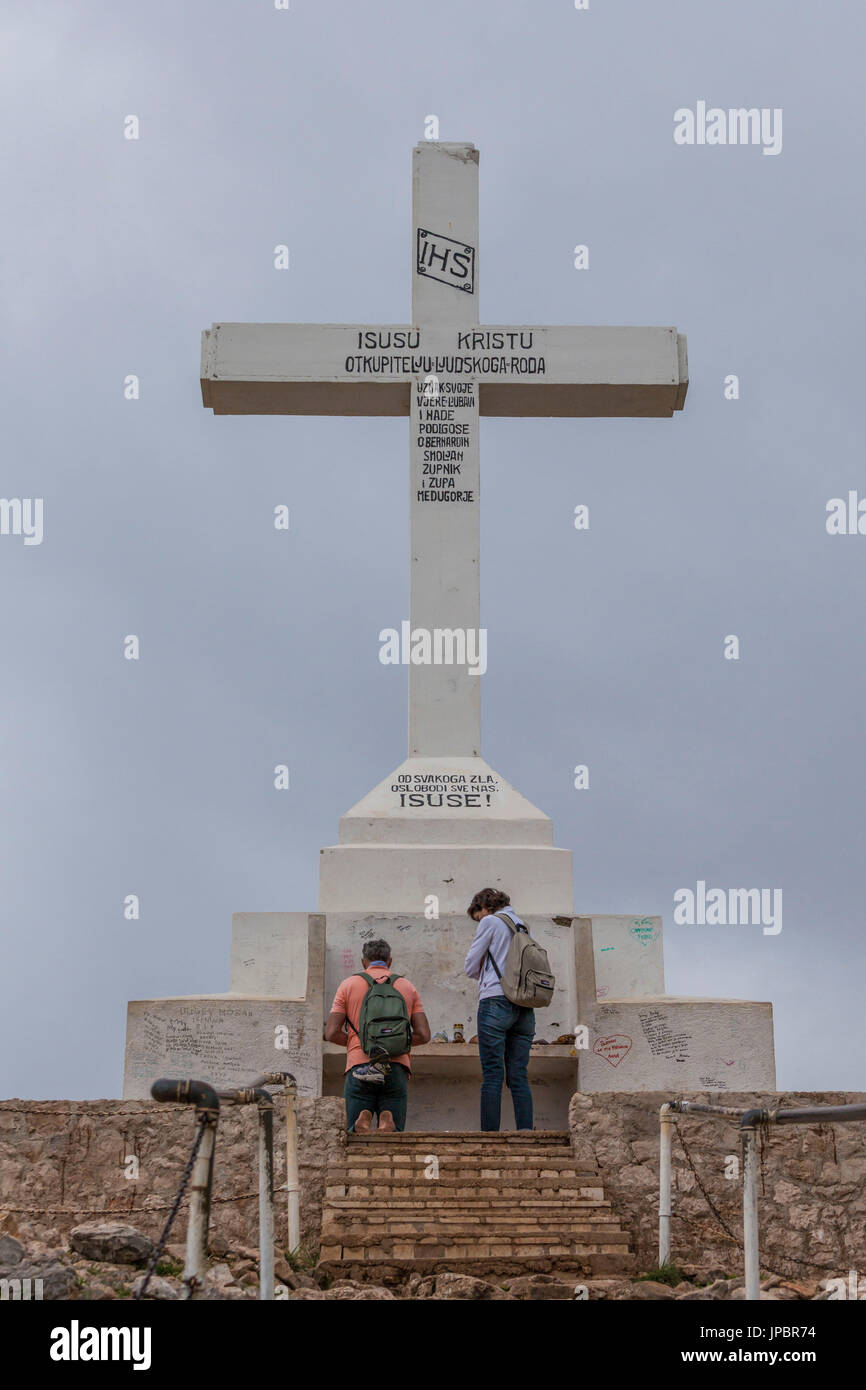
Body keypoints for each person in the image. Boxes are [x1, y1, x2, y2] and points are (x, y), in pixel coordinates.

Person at [324, 938, 430, 1133]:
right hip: (396, 1065)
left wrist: (357, 1043)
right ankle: (386, 1117)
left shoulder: (348, 985)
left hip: (360, 1064)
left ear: (363, 962)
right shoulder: (407, 986)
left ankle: (363, 1117)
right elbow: (423, 1035)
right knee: (394, 1137)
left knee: (353, 1138)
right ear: (389, 961)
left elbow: (331, 1033)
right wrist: (397, 1043)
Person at [464, 887, 534, 1131]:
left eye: (478, 916)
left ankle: (489, 1136)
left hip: (495, 999)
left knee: (493, 1073)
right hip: (525, 1005)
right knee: (518, 1075)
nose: (479, 921)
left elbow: (471, 966)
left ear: (485, 908)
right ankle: (526, 1131)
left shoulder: (491, 922)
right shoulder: (522, 925)